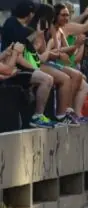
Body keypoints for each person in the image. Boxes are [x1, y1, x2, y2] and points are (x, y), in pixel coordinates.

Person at [0, 0, 56, 128]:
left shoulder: (24, 28)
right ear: (30, 14)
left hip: (17, 66)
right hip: (13, 68)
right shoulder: (13, 24)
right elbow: (19, 54)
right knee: (47, 79)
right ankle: (38, 116)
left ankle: (38, 112)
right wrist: (34, 68)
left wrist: (39, 34)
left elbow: (33, 49)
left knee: (48, 78)